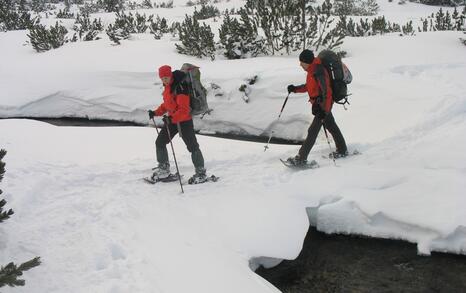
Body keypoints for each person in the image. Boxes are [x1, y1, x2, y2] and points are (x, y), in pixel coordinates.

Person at [286, 49, 348, 166]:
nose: (300, 64)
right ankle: (342, 150)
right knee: (332, 126)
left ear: (307, 62)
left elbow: (327, 92)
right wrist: (295, 89)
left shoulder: (318, 70)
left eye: (301, 62)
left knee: (312, 131)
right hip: (321, 105)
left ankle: (301, 158)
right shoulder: (311, 70)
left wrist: (324, 110)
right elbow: (309, 87)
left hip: (323, 106)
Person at [148, 65, 207, 183]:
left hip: (184, 121)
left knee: (192, 147)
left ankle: (201, 173)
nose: (164, 80)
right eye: (162, 78)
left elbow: (184, 110)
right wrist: (156, 112)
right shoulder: (168, 87)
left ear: (170, 75)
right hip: (173, 120)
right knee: (160, 142)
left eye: (166, 77)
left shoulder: (180, 87)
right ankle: (164, 170)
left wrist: (171, 118)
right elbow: (167, 104)